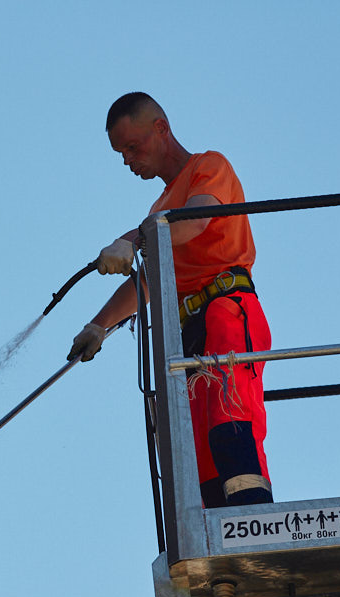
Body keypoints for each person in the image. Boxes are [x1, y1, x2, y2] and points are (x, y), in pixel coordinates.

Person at [67, 92, 273, 507]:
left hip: (228, 312)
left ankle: (255, 522)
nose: (127, 159)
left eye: (132, 146)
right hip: (190, 334)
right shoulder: (160, 208)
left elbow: (196, 220)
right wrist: (98, 326)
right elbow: (149, 283)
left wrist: (134, 239)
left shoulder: (208, 167)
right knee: (196, 448)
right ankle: (218, 535)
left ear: (161, 128)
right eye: (120, 153)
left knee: (228, 419)